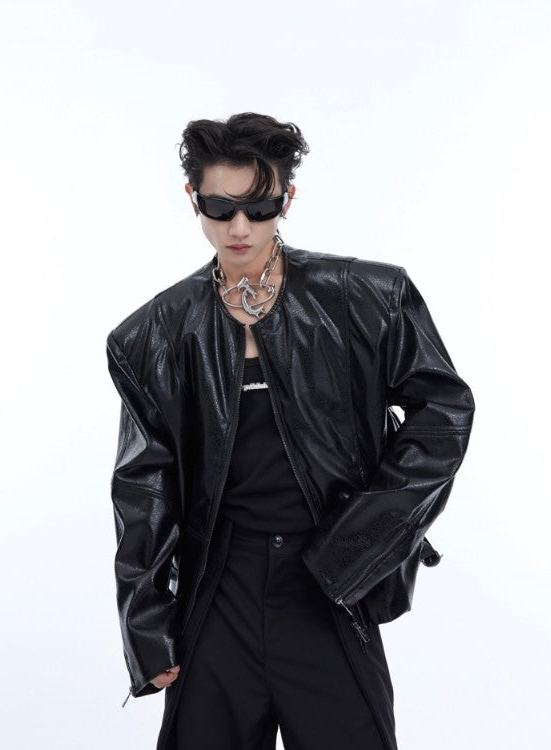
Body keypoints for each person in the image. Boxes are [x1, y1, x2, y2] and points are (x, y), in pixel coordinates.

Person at [105, 112, 475, 750]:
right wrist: (146, 621)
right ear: (193, 198)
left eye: (259, 207)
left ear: (287, 198)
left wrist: (365, 539)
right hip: (219, 589)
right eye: (220, 207)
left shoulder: (365, 297)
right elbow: (143, 485)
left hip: (326, 580)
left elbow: (443, 412)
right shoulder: (154, 335)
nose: (239, 227)